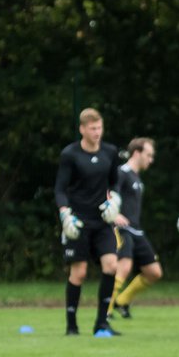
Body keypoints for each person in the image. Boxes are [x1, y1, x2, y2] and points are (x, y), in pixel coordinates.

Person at [55, 108, 121, 337]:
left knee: (111, 265)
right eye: (92, 128)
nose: (97, 132)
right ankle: (71, 325)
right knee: (79, 273)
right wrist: (65, 213)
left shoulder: (110, 152)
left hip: (102, 221)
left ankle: (101, 323)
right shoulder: (70, 154)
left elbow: (115, 183)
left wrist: (115, 200)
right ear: (82, 129)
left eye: (99, 128)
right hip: (78, 221)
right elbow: (60, 189)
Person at [109, 138, 163, 319]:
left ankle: (122, 301)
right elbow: (108, 193)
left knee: (154, 272)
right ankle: (106, 311)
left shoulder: (137, 177)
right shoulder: (122, 172)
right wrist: (114, 214)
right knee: (124, 266)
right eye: (148, 155)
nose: (151, 159)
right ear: (137, 153)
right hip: (121, 228)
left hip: (136, 230)